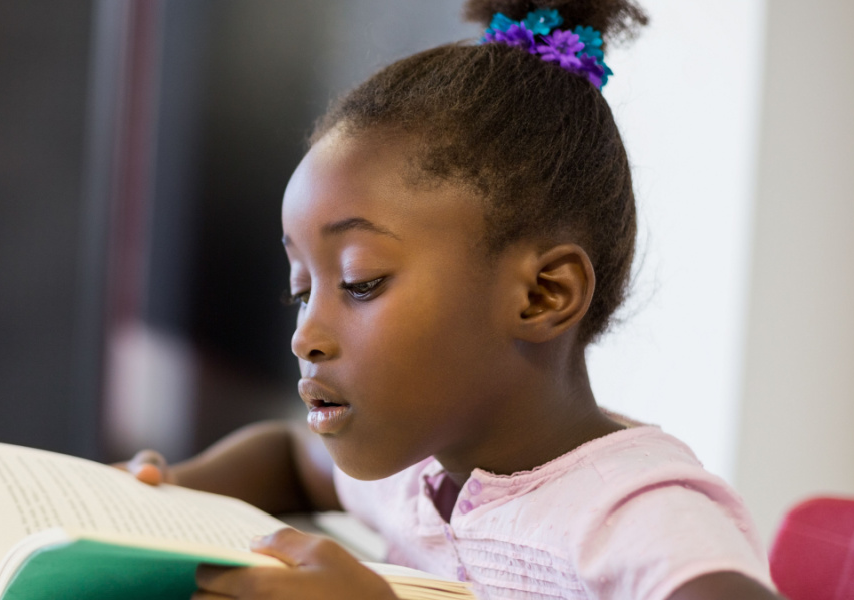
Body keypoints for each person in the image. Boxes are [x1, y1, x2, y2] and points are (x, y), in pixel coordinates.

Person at [121, 1, 781, 598]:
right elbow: (290, 460)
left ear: (541, 294)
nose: (305, 335)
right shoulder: (417, 471)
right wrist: (171, 492)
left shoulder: (636, 518)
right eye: (302, 289)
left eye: (359, 283)